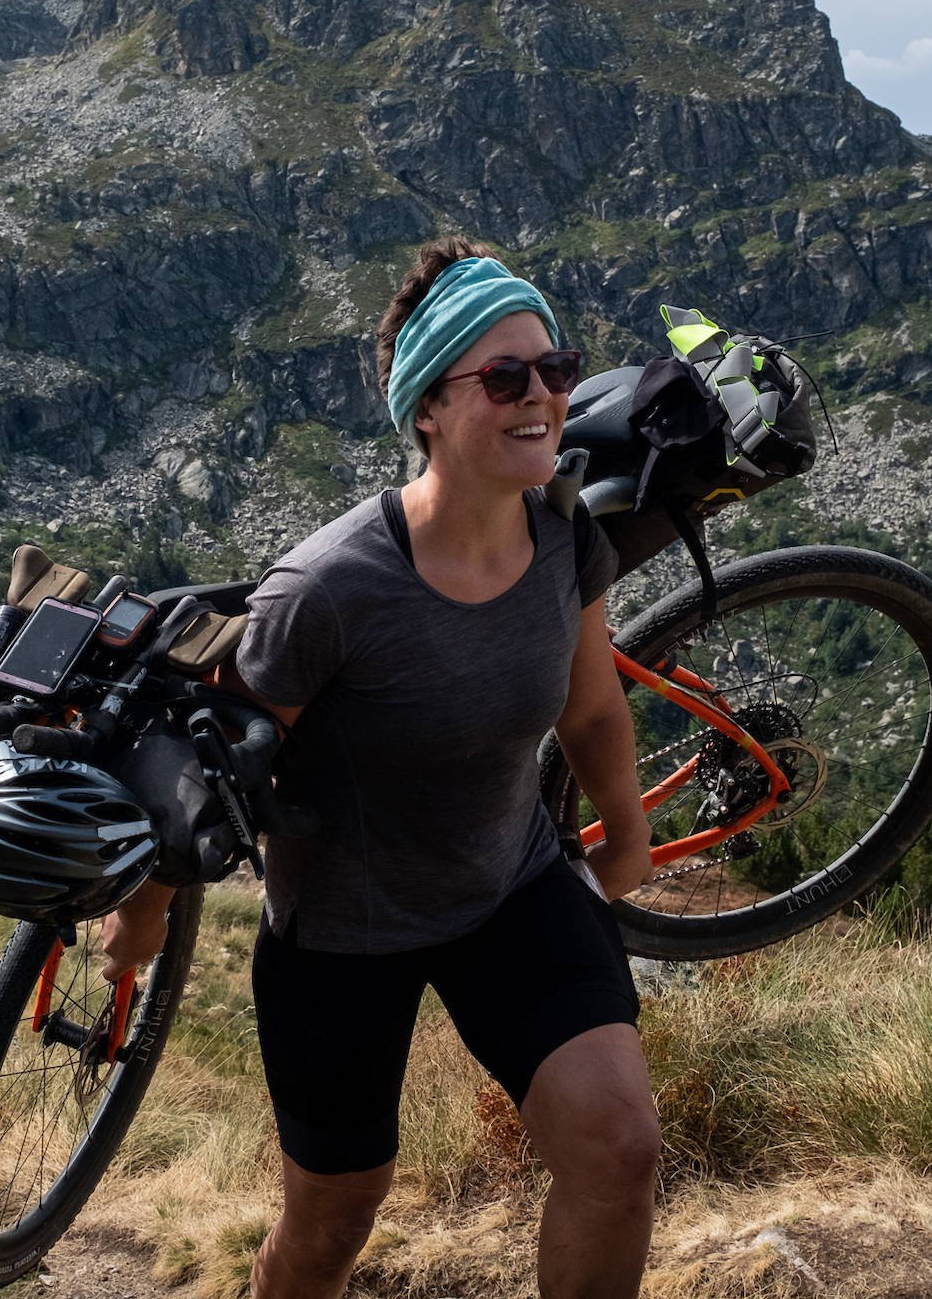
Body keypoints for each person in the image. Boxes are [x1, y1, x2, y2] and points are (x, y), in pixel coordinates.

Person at [104, 236, 660, 1299]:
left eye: (556, 366)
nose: (543, 395)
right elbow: (203, 771)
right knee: (331, 1225)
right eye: (504, 377)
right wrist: (144, 911)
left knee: (619, 1151)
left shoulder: (562, 534)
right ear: (428, 412)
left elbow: (590, 706)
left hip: (509, 886)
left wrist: (625, 840)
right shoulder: (327, 592)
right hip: (342, 938)